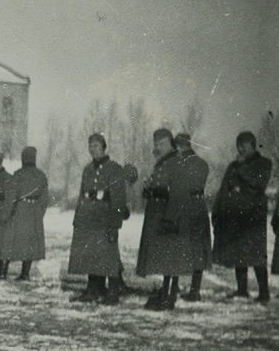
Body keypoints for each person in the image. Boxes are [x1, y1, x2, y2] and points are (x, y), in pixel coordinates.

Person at [136, 128, 202, 310]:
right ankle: (165, 292)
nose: (158, 147)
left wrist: (171, 218)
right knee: (166, 258)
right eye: (156, 144)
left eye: (162, 144)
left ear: (171, 143)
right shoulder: (162, 163)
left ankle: (170, 295)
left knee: (172, 258)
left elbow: (179, 193)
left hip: (172, 217)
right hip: (160, 215)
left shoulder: (177, 162)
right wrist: (148, 189)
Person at [211, 131, 273, 303]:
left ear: (253, 146)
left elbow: (259, 182)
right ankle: (242, 290)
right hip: (235, 217)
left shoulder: (263, 163)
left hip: (253, 218)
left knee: (256, 255)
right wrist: (218, 211)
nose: (240, 149)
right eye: (238, 146)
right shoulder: (233, 166)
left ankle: (264, 292)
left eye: (244, 146)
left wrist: (243, 168)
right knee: (239, 254)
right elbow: (224, 189)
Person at [67, 133, 128, 304]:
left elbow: (118, 199)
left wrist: (115, 224)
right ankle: (93, 290)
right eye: (90, 146)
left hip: (105, 218)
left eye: (95, 146)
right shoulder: (87, 169)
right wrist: (78, 216)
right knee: (90, 254)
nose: (92, 149)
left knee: (108, 255)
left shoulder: (114, 168)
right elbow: (82, 195)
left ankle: (113, 292)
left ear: (103, 147)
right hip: (88, 218)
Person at [0, 146, 48, 281]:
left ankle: (2, 272)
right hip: (34, 213)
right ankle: (25, 273)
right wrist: (38, 214)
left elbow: (11, 197)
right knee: (30, 245)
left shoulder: (17, 175)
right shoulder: (41, 175)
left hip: (18, 212)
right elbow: (44, 200)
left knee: (9, 241)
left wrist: (5, 215)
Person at [174, 133, 212, 301]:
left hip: (186, 207)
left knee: (181, 245)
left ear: (180, 146)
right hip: (196, 207)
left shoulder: (181, 163)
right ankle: (192, 289)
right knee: (196, 247)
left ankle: (178, 287)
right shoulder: (201, 164)